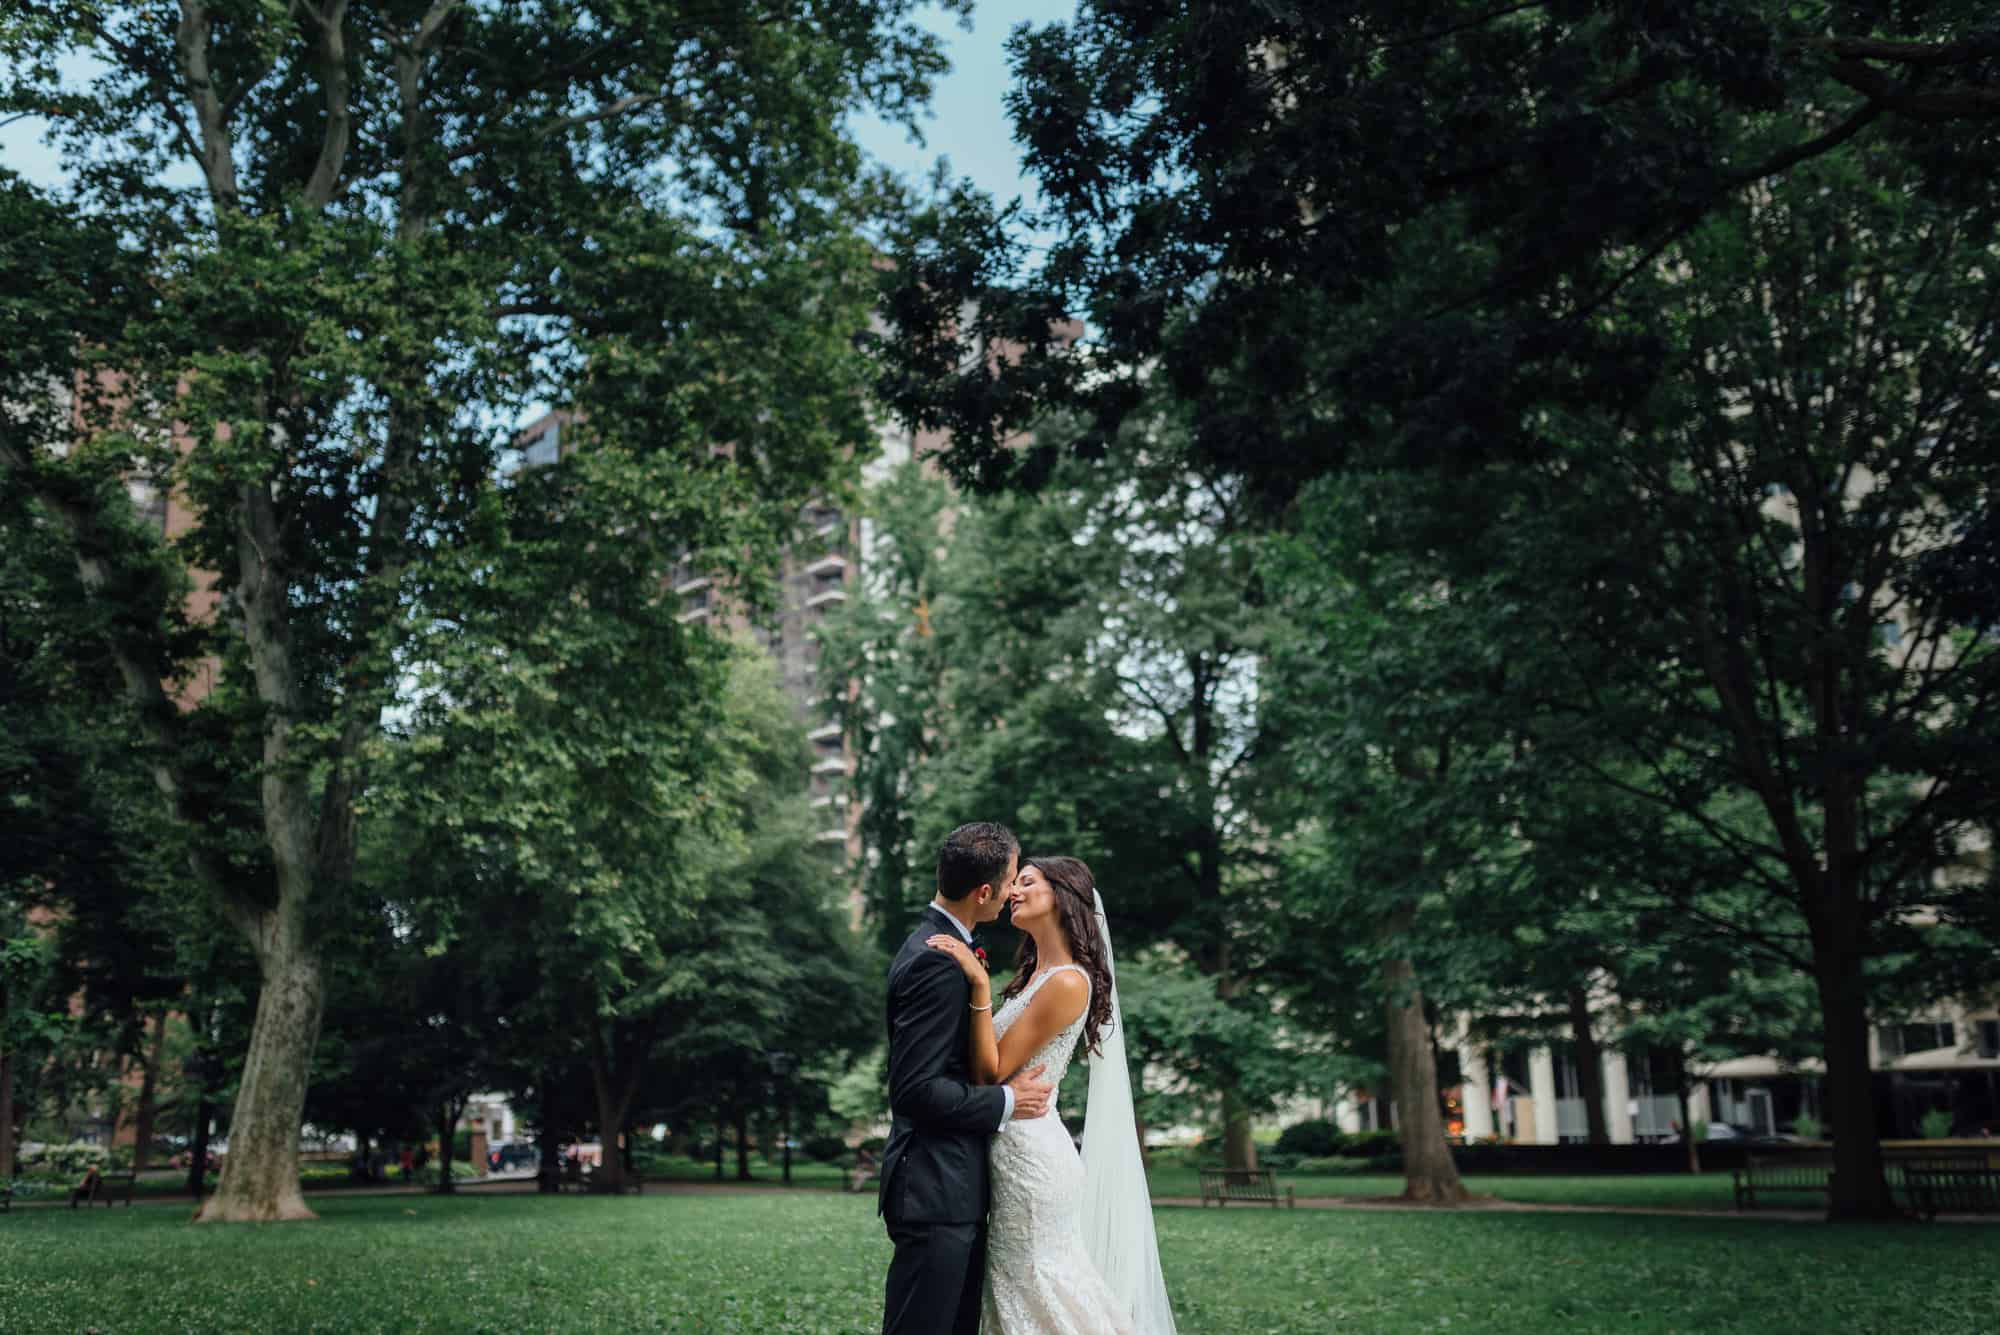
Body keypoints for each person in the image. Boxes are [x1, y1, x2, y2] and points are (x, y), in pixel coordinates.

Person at [927, 854, 1178, 1335]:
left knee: (1042, 1289)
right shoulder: (1034, 979)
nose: (1012, 892)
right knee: (1018, 1294)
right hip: (1010, 1150)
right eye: (1013, 883)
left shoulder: (1066, 982)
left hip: (1032, 1163)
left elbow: (992, 1070)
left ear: (1061, 898)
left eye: (1027, 882)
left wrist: (977, 983)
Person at [879, 822, 1054, 1335]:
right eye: (1007, 885)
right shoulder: (936, 961)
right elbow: (915, 1090)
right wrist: (1004, 1101)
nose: (1010, 895)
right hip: (935, 1191)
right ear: (983, 892)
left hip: (953, 1190)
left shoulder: (949, 948)